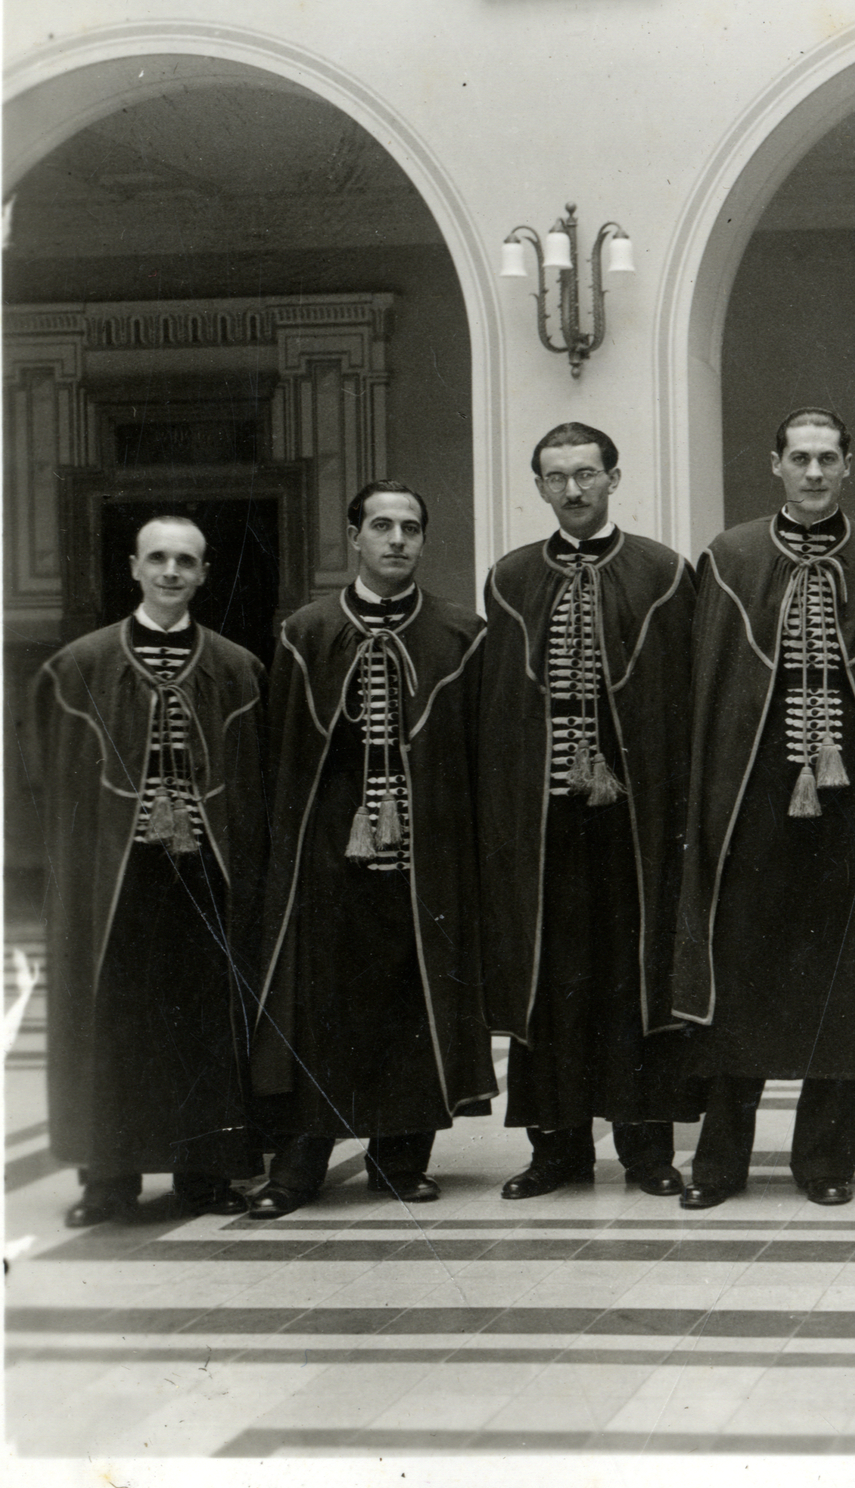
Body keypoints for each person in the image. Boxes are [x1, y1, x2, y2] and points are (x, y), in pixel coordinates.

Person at [673, 407, 855, 1209]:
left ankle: (824, 1160)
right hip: (752, 804)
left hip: (853, 810)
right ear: (775, 464)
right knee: (741, 974)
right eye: (800, 458)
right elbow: (709, 691)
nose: (814, 472)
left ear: (848, 464)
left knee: (843, 981)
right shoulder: (730, 558)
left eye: (827, 458)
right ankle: (720, 1162)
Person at [247, 482, 496, 1218]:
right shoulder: (307, 631)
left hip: (427, 856)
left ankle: (400, 1160)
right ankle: (299, 1165)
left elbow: (478, 757)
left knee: (411, 999)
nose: (397, 540)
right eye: (382, 526)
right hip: (329, 857)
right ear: (354, 535)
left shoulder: (461, 632)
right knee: (321, 1003)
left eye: (411, 528)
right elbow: (284, 757)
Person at [478, 422, 699, 1200]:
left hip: (635, 825)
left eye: (586, 474)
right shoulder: (509, 578)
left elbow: (678, 702)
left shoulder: (664, 573)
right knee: (554, 978)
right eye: (556, 476)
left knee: (634, 980)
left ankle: (647, 1150)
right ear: (539, 486)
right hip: (546, 826)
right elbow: (502, 709)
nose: (572, 490)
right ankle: (556, 1149)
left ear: (613, 477)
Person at [29, 516, 267, 1226]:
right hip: (119, 879)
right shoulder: (80, 665)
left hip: (204, 873)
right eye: (157, 558)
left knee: (205, 1023)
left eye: (185, 561)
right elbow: (54, 784)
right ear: (134, 567)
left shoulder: (237, 668)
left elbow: (251, 786)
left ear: (204, 573)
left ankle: (205, 1175)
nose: (170, 571)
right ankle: (109, 1179)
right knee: (116, 1024)